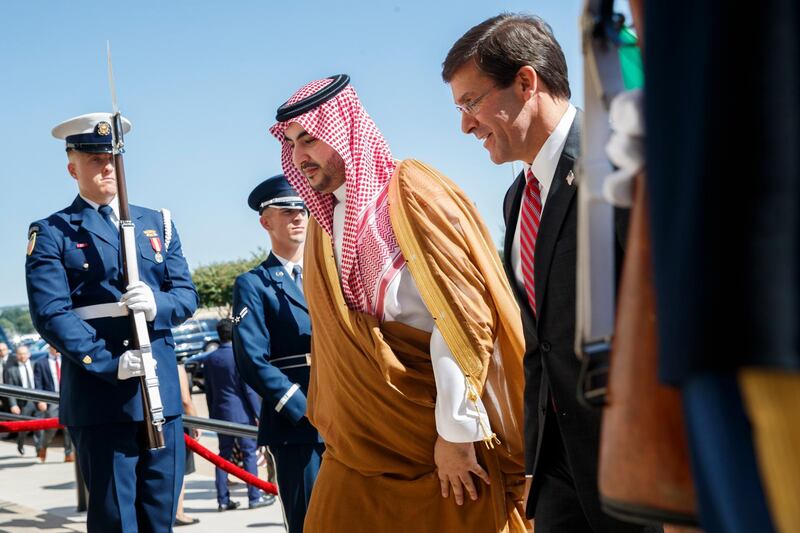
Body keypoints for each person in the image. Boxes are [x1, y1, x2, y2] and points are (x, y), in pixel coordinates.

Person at [266, 75, 528, 532]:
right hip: (358, 444)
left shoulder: (412, 194)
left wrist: (455, 434)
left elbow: (461, 318)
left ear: (343, 131)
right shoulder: (323, 226)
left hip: (435, 441)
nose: (300, 156)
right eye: (292, 145)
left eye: (309, 139)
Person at [442, 14, 656, 533]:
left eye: (471, 102)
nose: (465, 125)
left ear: (525, 82)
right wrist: (538, 461)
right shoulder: (518, 198)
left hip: (639, 470)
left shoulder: (621, 160)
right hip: (562, 474)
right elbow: (542, 344)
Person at [26, 112, 199, 532]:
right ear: (73, 168)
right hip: (102, 398)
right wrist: (108, 362)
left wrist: (157, 303)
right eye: (94, 160)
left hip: (159, 397)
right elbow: (51, 313)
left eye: (112, 159)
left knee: (160, 519)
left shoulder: (158, 222)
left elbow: (186, 296)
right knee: (116, 521)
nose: (106, 167)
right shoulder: (52, 232)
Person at [232, 175, 321, 532]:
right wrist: (301, 407)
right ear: (265, 221)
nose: (298, 217)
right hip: (297, 422)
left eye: (302, 210)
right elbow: (251, 359)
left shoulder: (328, 273)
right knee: (309, 521)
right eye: (286, 211)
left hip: (345, 414)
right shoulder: (254, 284)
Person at [204, 318, 274, 511]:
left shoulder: (209, 359)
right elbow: (248, 390)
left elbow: (209, 391)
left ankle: (223, 500)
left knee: (222, 457)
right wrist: (259, 414)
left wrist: (212, 415)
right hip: (242, 414)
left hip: (220, 414)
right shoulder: (238, 356)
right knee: (249, 454)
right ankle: (254, 497)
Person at [33, 344, 74, 462]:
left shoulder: (67, 359)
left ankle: (68, 453)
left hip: (67, 396)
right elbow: (38, 384)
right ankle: (43, 446)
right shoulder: (41, 363)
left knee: (69, 427)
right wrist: (41, 400)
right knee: (51, 427)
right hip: (51, 398)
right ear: (50, 347)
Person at [174, 362, 200, 527]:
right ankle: (178, 512)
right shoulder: (177, 366)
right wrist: (196, 423)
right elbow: (186, 401)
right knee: (179, 470)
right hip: (177, 423)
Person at [4, 345, 40, 455]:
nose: (23, 356)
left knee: (39, 426)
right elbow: (10, 389)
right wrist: (13, 405)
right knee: (24, 427)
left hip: (38, 400)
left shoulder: (35, 365)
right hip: (23, 403)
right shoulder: (11, 370)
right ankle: (20, 443)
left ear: (29, 354)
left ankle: (39, 449)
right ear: (16, 355)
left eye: (24, 353)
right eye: (20, 354)